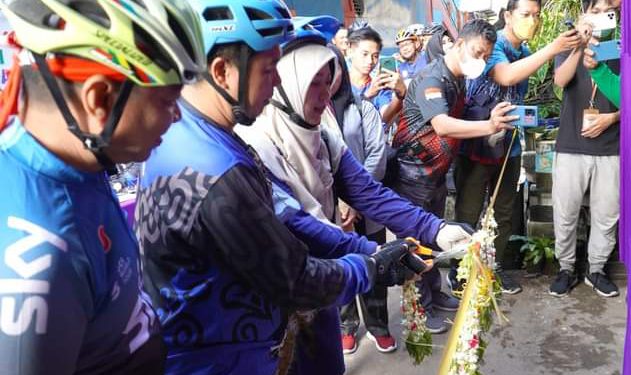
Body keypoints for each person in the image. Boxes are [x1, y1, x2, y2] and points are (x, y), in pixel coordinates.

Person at [134, 2, 424, 374]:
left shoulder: (189, 130)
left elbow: (361, 194)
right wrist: (370, 266)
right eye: (270, 69)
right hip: (219, 360)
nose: (277, 83)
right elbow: (295, 277)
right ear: (222, 71)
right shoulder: (218, 171)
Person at [240, 24, 477, 369]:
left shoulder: (323, 132)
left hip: (325, 277)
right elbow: (301, 226)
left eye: (328, 83)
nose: (324, 96)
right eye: (312, 85)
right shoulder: (256, 144)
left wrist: (435, 228)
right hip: (284, 285)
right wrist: (375, 256)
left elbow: (369, 193)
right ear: (284, 83)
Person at [0, 0, 205, 373]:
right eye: (168, 101)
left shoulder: (79, 157)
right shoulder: (41, 261)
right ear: (99, 100)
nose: (177, 117)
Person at [389, 19, 517, 333]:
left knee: (431, 239)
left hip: (435, 174)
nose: (482, 61)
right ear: (459, 44)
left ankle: (434, 292)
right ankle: (420, 309)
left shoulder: (457, 78)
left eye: (487, 56)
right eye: (477, 52)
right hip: (412, 175)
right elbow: (443, 125)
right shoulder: (434, 76)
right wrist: (489, 126)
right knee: (414, 245)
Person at [452, 0, 582, 295]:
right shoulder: (492, 45)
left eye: (536, 16)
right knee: (469, 212)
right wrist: (552, 49)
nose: (532, 21)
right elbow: (506, 76)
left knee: (504, 213)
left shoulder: (524, 52)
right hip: (477, 144)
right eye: (525, 15)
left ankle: (494, 269)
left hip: (508, 146)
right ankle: (462, 272)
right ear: (507, 16)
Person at [325, 45, 394, 354]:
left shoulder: (362, 107)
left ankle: (378, 324)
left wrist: (353, 199)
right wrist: (337, 202)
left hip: (366, 203)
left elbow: (377, 155)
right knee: (339, 264)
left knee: (375, 262)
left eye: (331, 71)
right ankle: (346, 324)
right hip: (330, 209)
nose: (327, 80)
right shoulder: (310, 116)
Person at [549, 0, 621, 298]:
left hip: (611, 146)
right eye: (596, 8)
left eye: (608, 8)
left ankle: (596, 269)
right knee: (565, 212)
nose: (603, 13)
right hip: (571, 145)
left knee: (607, 214)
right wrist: (579, 44)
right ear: (584, 13)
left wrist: (612, 118)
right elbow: (560, 80)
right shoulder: (569, 46)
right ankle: (566, 268)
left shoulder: (621, 47)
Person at [346, 26, 405, 125]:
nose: (370, 61)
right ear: (350, 51)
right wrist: (368, 95)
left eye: (375, 56)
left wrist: (399, 96)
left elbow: (385, 118)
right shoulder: (338, 83)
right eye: (365, 54)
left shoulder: (379, 85)